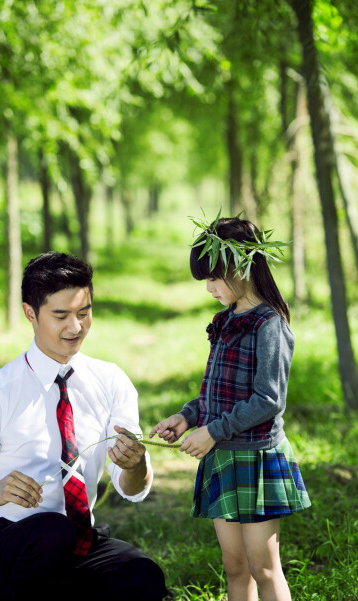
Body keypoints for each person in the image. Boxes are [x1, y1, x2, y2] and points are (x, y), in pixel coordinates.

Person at [0, 251, 167, 601]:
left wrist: (136, 464)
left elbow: (133, 489)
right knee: (51, 531)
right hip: (11, 545)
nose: (76, 327)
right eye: (61, 316)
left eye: (84, 313)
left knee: (142, 575)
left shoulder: (111, 381)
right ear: (30, 313)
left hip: (80, 542)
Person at [150, 216, 310, 601]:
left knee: (263, 566)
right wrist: (188, 417)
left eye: (213, 278)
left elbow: (268, 399)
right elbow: (216, 392)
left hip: (256, 460)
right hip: (224, 459)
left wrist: (212, 431)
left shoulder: (268, 325)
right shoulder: (225, 321)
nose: (208, 288)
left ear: (242, 264)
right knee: (235, 566)